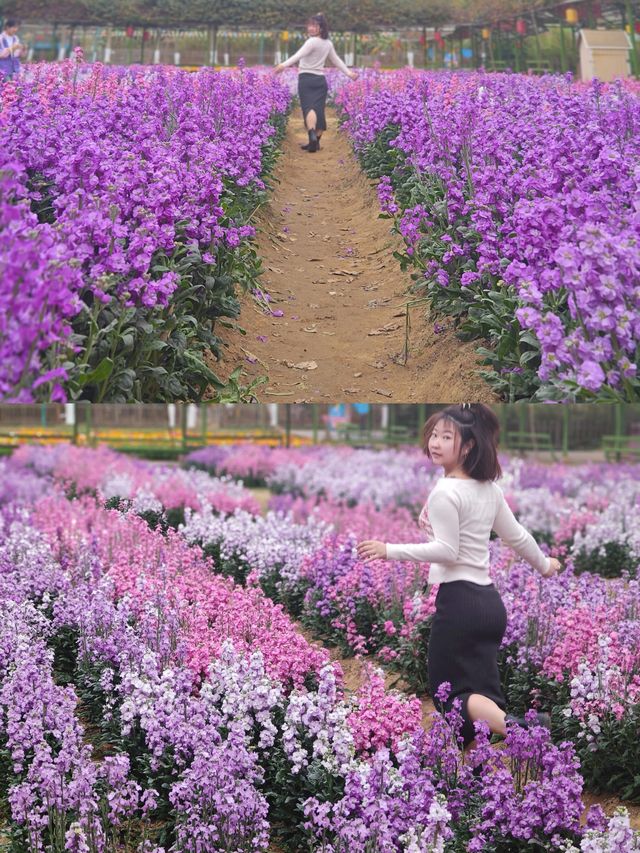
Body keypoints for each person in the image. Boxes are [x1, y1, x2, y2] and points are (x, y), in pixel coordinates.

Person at [357, 403, 561, 750]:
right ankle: (476, 773)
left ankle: (527, 730)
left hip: (460, 603)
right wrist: (544, 565)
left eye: (446, 436)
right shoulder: (488, 489)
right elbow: (517, 537)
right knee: (480, 692)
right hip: (489, 604)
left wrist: (389, 550)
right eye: (434, 434)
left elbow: (448, 551)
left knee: (449, 693)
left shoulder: (445, 492)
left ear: (467, 446)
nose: (435, 442)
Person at [273, 13, 357, 153]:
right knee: (319, 110)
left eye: (315, 26)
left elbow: (298, 55)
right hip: (320, 80)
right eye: (310, 25)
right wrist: (349, 73)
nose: (311, 28)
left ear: (321, 28)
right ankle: (315, 142)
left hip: (306, 79)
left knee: (309, 108)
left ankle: (312, 135)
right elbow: (336, 60)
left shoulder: (311, 42)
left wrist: (283, 65)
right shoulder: (327, 43)